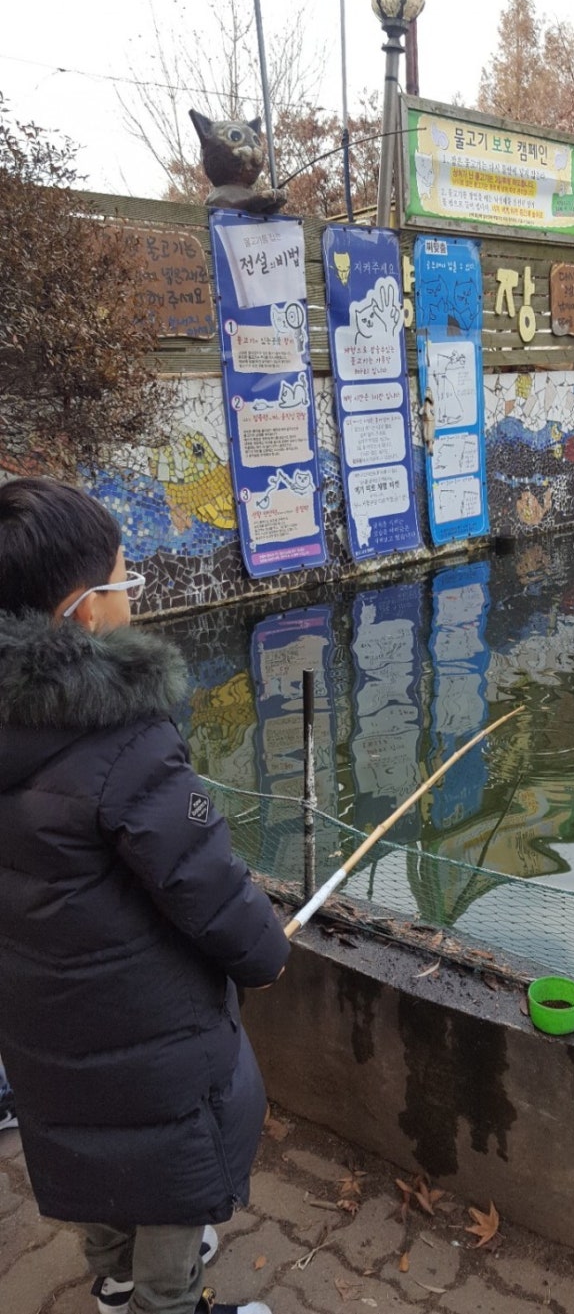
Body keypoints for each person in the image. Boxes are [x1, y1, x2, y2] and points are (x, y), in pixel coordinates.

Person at [0, 477, 290, 1314]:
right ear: (84, 612)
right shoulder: (125, 735)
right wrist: (266, 954)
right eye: (125, 579)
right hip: (143, 1029)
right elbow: (202, 878)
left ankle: (114, 1287)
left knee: (90, 1152)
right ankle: (166, 1303)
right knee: (167, 1175)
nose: (133, 595)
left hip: (41, 1024)